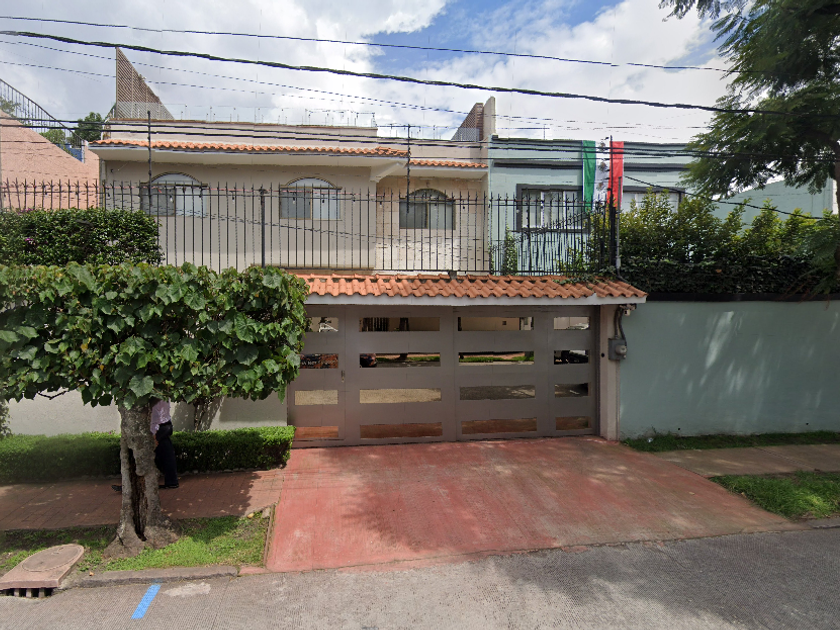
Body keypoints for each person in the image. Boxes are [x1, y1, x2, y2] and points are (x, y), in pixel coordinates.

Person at [112, 399, 179, 492]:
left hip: (159, 427)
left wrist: (154, 435)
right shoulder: (162, 395)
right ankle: (171, 481)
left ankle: (133, 485)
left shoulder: (154, 398)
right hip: (165, 425)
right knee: (166, 455)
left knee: (142, 455)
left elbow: (155, 416)